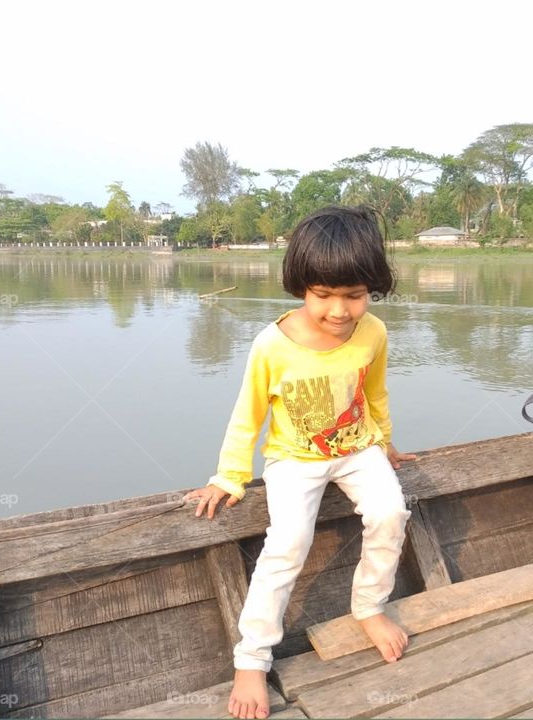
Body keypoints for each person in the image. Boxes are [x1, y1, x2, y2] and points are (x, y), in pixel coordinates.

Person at [185, 206, 415, 720]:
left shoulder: (373, 332)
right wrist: (229, 476)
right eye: (324, 295)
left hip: (358, 448)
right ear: (300, 287)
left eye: (354, 296)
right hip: (293, 458)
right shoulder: (273, 345)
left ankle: (369, 607)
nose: (339, 311)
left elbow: (374, 394)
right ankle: (252, 658)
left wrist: (386, 442)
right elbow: (248, 415)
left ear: (371, 289)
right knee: (287, 543)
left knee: (390, 514)